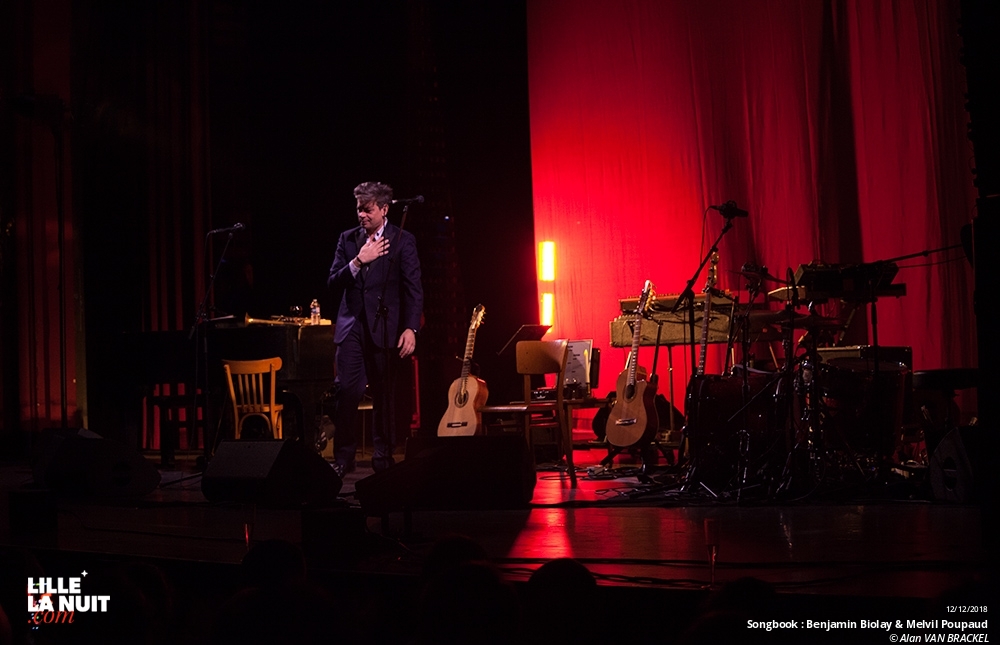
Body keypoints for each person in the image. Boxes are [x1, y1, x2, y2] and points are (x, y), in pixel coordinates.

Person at [327, 181, 423, 475]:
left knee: (385, 395)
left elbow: (413, 289)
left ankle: (383, 457)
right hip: (353, 326)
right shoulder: (348, 240)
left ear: (383, 209)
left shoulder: (403, 240)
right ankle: (344, 458)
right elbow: (333, 282)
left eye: (367, 209)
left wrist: (411, 328)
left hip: (385, 327)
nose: (361, 215)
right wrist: (358, 261)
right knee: (347, 392)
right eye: (358, 209)